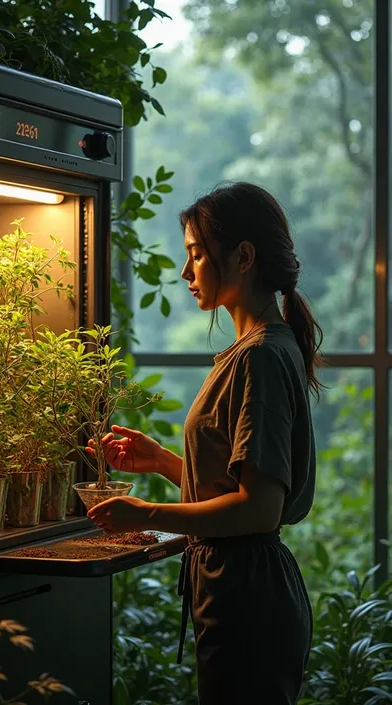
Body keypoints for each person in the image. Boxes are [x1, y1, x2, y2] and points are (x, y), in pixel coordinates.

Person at [86, 182, 320, 705]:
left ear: (243, 257)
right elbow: (236, 485)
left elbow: (258, 510)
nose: (186, 273)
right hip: (238, 594)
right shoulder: (255, 350)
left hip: (248, 601)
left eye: (195, 255)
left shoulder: (260, 356)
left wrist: (146, 513)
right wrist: (164, 461)